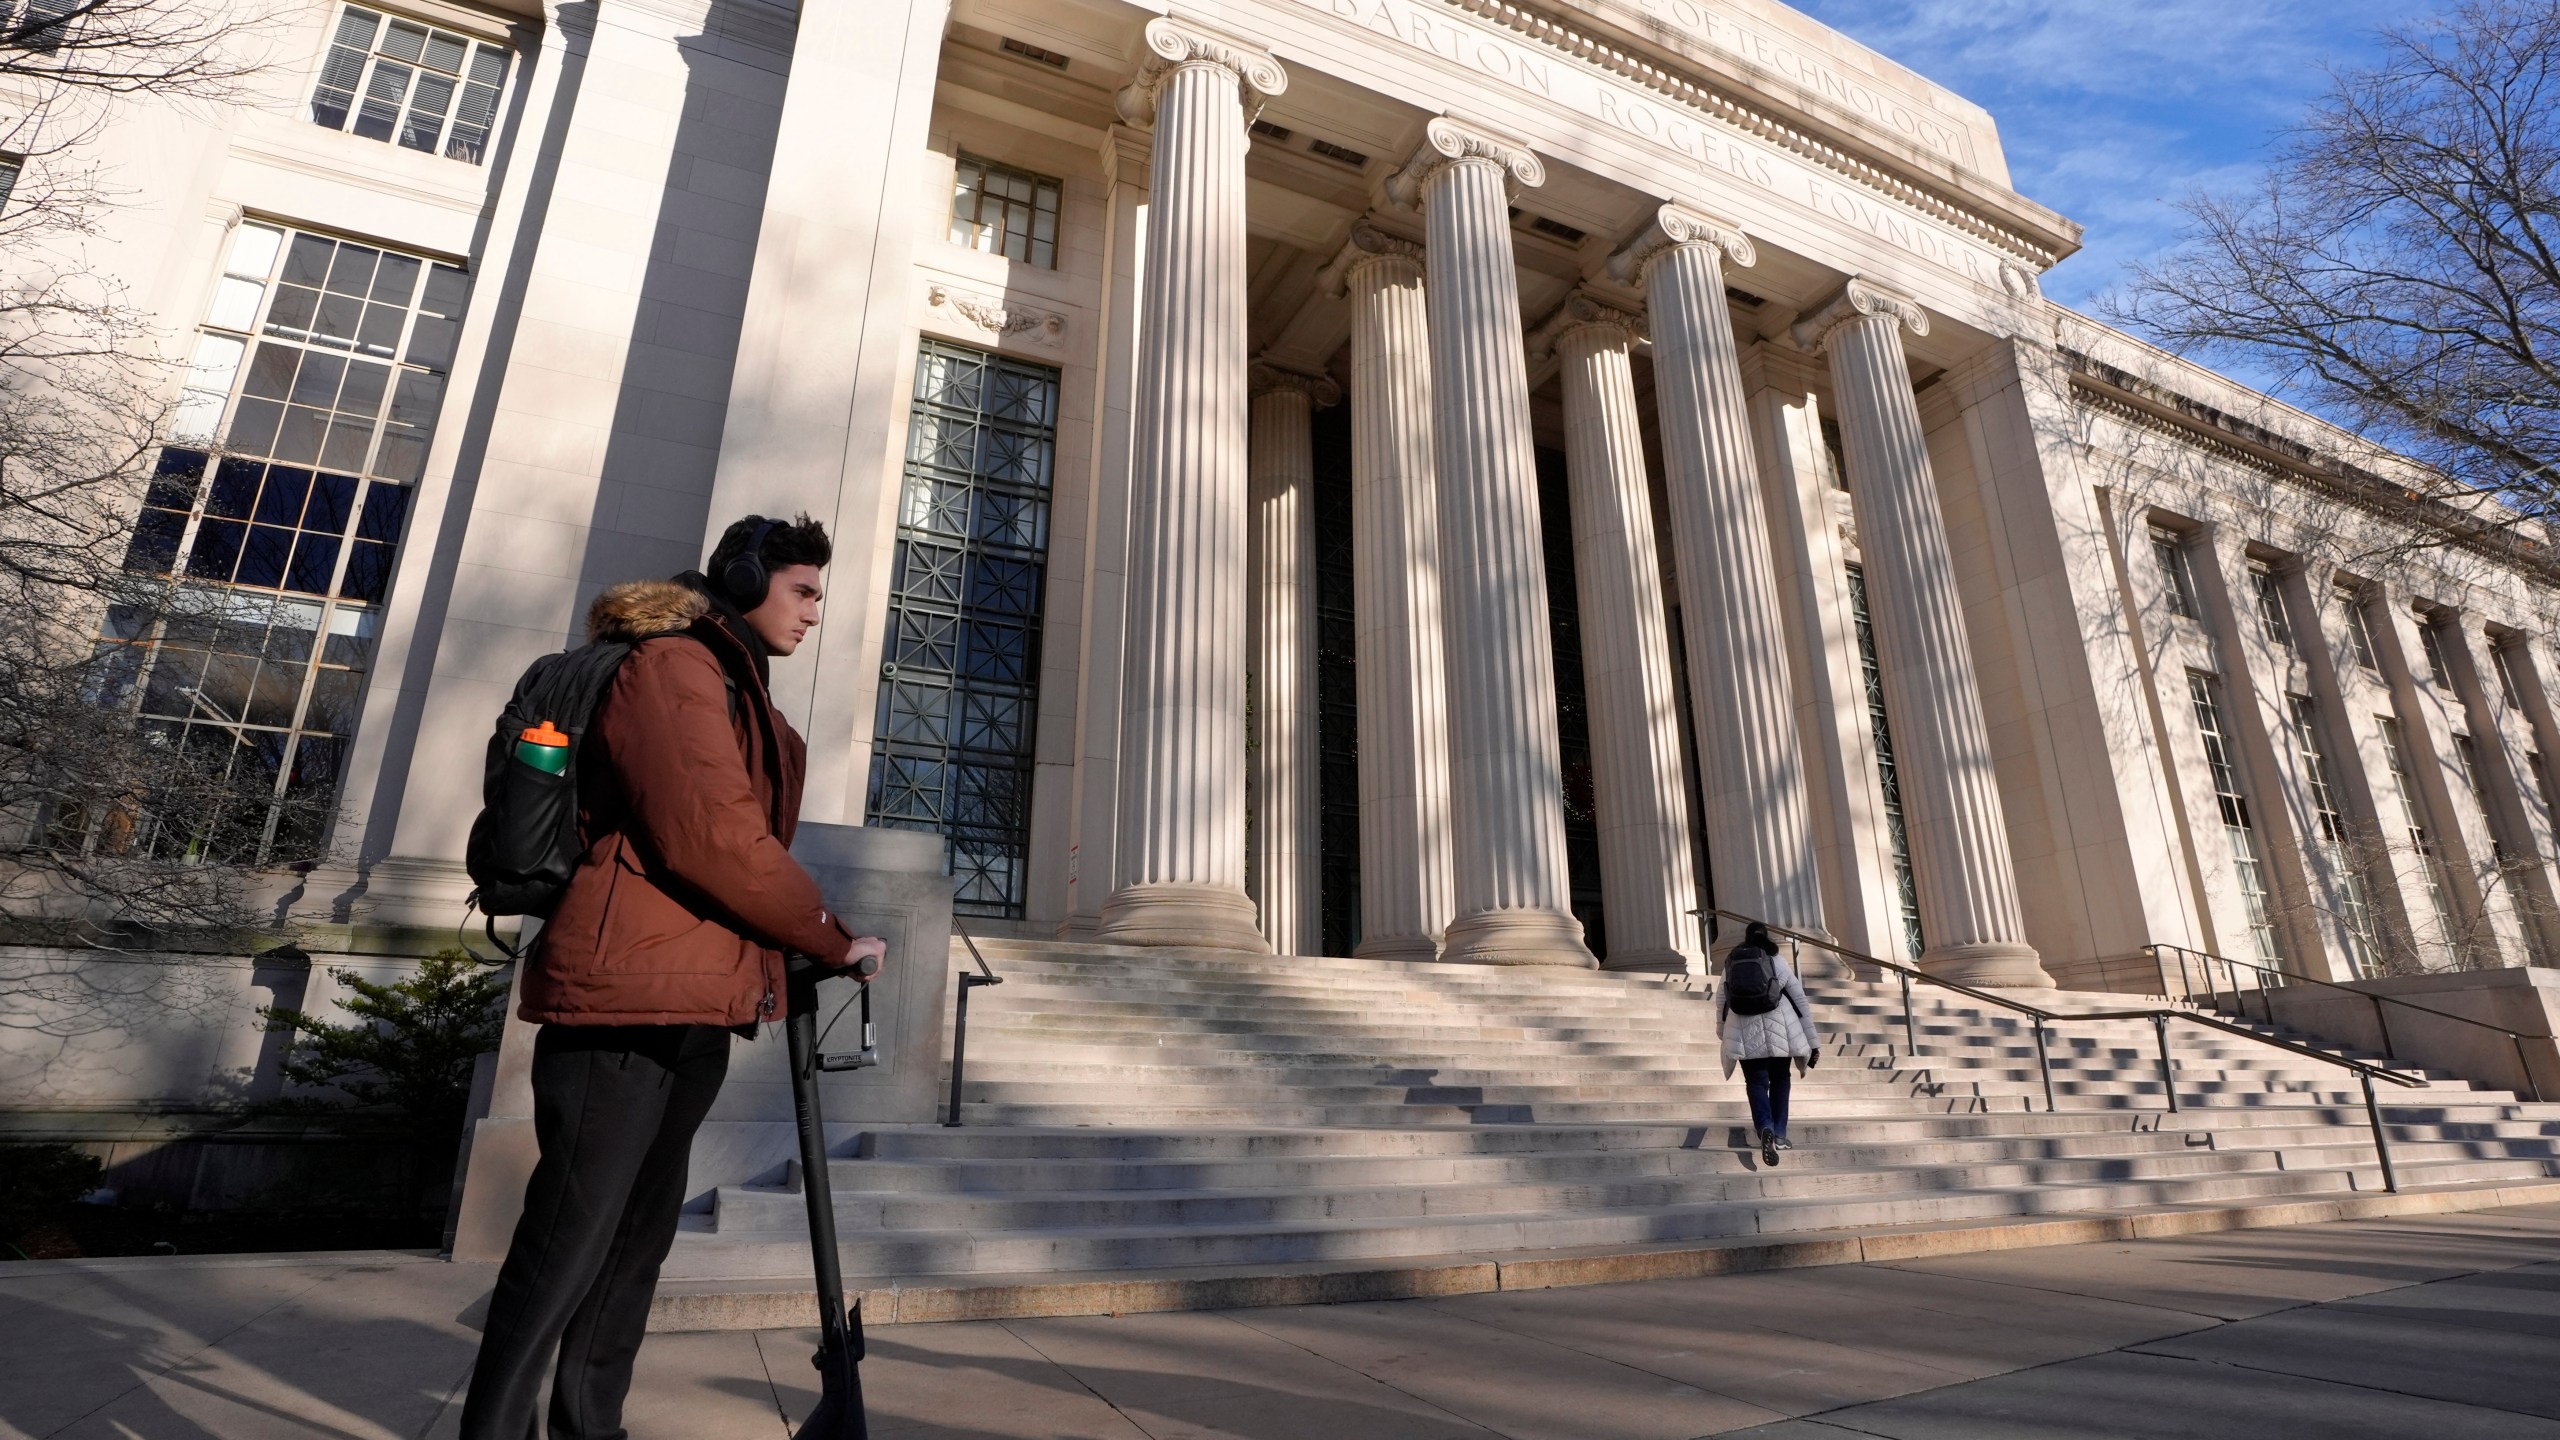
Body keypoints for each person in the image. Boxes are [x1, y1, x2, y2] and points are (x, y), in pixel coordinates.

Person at [460, 514, 889, 1440]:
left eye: (821, 595)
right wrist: (828, 934)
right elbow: (712, 835)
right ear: (742, 578)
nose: (816, 613)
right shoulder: (675, 666)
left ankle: (591, 1427)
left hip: (691, 996)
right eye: (802, 590)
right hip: (622, 1000)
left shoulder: (735, 681)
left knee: (633, 1244)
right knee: (570, 1237)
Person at [1718, 921, 1819, 1169]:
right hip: (1780, 1031)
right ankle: (1780, 1134)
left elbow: (1722, 1001)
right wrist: (1813, 1042)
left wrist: (1723, 1033)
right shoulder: (1777, 960)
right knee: (1781, 1080)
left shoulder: (1731, 962)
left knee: (1756, 1083)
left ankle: (1765, 1127)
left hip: (1743, 1030)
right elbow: (1799, 1001)